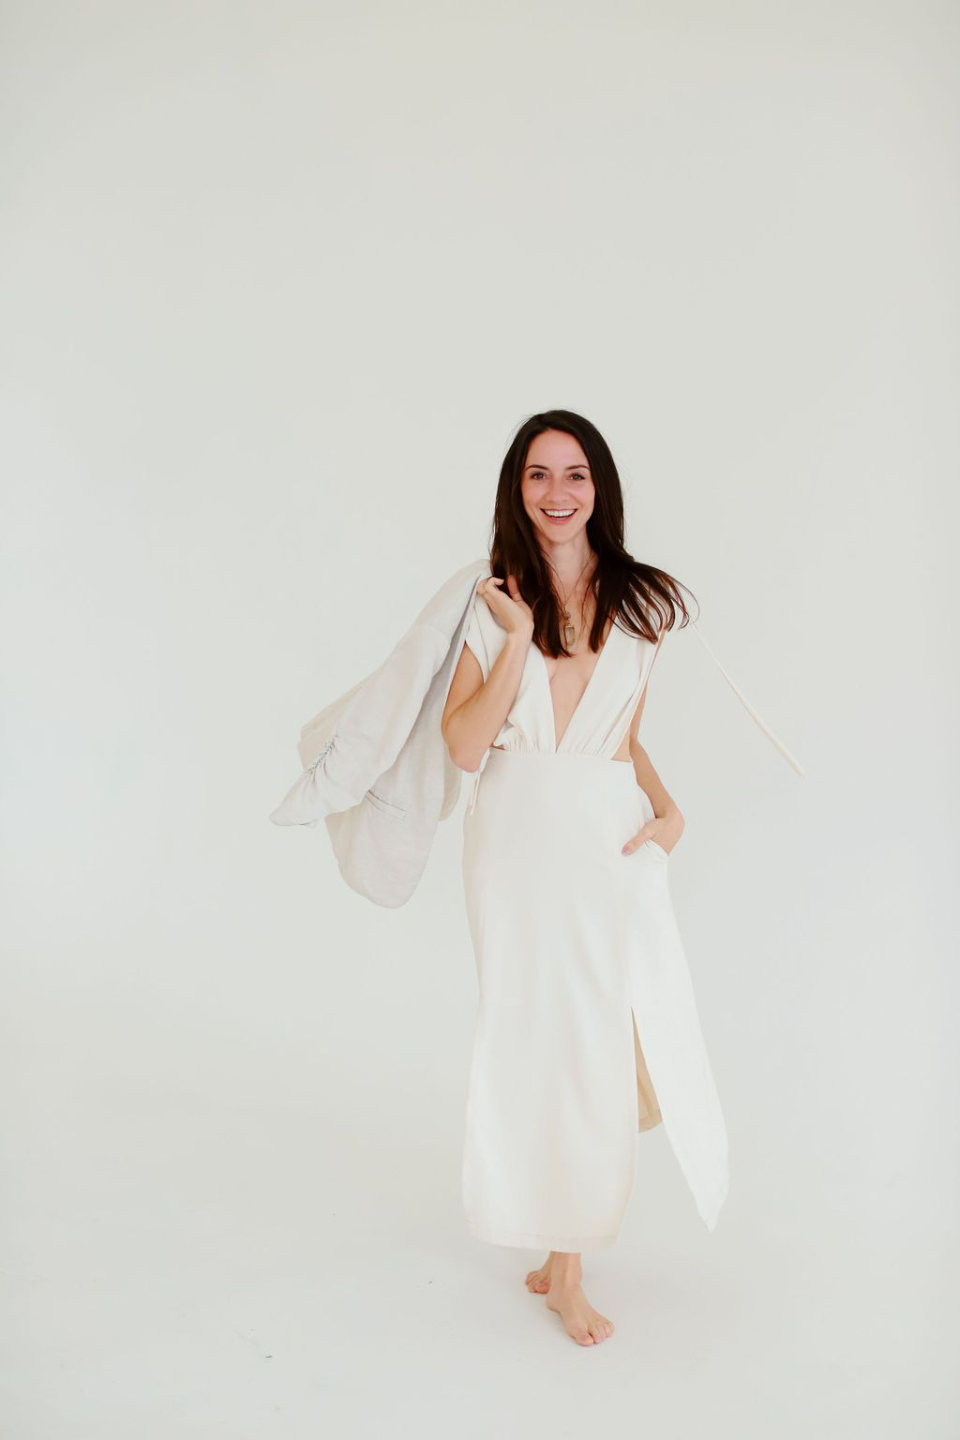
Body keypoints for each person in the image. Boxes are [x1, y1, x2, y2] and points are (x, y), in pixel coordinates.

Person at [441, 408, 707, 1347]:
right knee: (533, 1036)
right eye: (538, 475)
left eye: (575, 474)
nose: (558, 493)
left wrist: (669, 809)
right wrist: (516, 637)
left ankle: (568, 1260)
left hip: (603, 840)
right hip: (514, 846)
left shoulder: (643, 603)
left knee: (595, 1039)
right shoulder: (491, 600)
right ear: (517, 490)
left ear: (601, 487)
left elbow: (622, 737)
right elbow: (464, 746)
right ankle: (560, 1256)